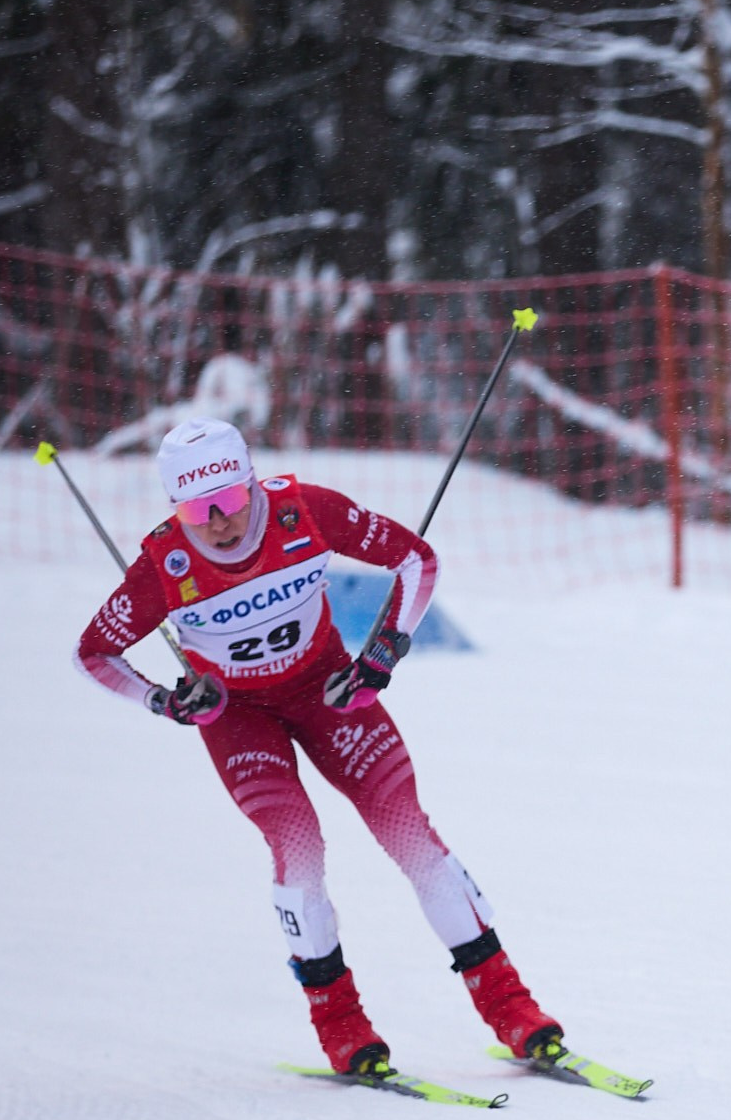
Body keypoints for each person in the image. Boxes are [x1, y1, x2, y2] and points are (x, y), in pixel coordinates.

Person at [72, 417, 562, 1077]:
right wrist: (163, 699)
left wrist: (382, 651)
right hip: (239, 718)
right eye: (196, 508)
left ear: (251, 483)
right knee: (299, 847)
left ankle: (512, 1008)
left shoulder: (304, 511)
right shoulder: (166, 565)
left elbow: (416, 559)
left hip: (329, 693)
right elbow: (93, 652)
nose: (216, 520)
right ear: (174, 508)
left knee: (410, 834)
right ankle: (340, 1023)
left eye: (229, 499)